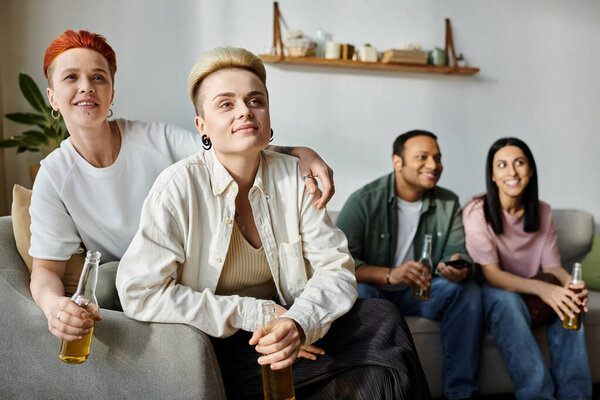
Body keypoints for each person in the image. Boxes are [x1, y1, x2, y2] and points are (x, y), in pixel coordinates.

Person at [116, 47, 431, 399]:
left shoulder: (294, 177)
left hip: (290, 327)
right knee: (372, 368)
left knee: (382, 322)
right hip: (218, 346)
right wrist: (256, 313)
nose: (245, 112)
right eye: (226, 104)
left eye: (256, 101)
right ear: (202, 126)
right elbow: (139, 292)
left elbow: (336, 269)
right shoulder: (177, 188)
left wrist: (297, 324)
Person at [28, 30, 335, 344]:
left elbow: (228, 144)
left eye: (98, 77)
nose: (86, 87)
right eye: (71, 78)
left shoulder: (153, 140)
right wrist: (54, 306)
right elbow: (46, 270)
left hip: (190, 267)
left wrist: (297, 154)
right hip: (140, 282)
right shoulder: (54, 175)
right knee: (109, 280)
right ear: (52, 96)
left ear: (112, 93)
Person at [336, 130, 483, 400]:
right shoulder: (364, 201)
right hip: (377, 290)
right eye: (422, 157)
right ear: (397, 162)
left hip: (421, 292)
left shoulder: (447, 202)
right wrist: (392, 275)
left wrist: (455, 266)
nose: (433, 165)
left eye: (437, 158)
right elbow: (339, 264)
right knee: (364, 298)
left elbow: (455, 251)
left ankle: (461, 393)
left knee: (467, 292)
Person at [462, 137, 592, 400]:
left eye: (519, 163)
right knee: (507, 301)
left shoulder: (543, 212)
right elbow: (492, 275)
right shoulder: (477, 211)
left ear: (530, 170)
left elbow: (553, 266)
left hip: (533, 294)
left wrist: (571, 286)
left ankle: (576, 395)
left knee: (572, 301)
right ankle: (538, 395)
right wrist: (544, 290)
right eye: (502, 165)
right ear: (493, 176)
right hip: (495, 294)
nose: (512, 172)